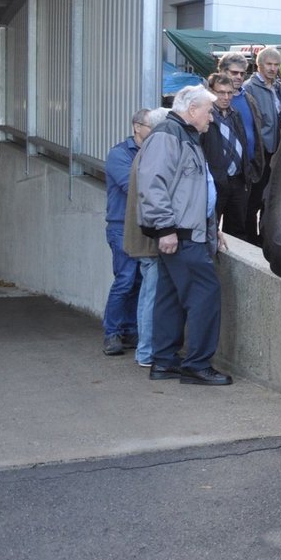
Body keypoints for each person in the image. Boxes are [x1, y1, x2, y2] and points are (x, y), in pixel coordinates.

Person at [136, 85, 232, 386]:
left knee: (170, 297)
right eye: (208, 112)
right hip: (180, 234)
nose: (212, 118)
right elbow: (153, 184)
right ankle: (197, 365)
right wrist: (165, 228)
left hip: (185, 233)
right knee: (206, 294)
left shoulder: (181, 134)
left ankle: (164, 361)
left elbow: (191, 190)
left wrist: (210, 228)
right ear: (192, 110)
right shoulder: (169, 135)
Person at [101, 109, 151, 355]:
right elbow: (131, 185)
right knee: (125, 279)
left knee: (139, 279)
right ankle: (112, 333)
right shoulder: (119, 154)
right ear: (136, 127)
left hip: (142, 225)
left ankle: (131, 330)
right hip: (121, 225)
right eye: (150, 125)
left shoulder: (151, 152)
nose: (154, 130)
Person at [123, 108, 168, 368]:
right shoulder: (153, 151)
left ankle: (145, 350)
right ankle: (147, 351)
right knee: (151, 295)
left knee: (147, 294)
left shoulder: (145, 151)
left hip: (144, 236)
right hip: (150, 238)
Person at [240, 46, 281, 241]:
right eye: (269, 64)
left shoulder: (277, 87)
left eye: (276, 65)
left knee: (269, 199)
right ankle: (250, 239)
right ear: (259, 65)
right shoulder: (250, 88)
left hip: (277, 150)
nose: (272, 68)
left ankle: (265, 237)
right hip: (261, 152)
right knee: (254, 199)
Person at [216, 52, 266, 242]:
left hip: (243, 173)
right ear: (222, 71)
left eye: (242, 73)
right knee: (211, 225)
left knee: (237, 227)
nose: (238, 77)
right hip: (218, 174)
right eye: (234, 72)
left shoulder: (248, 98)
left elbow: (256, 133)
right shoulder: (209, 99)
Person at [202, 72, 252, 240]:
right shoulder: (205, 116)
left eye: (229, 93)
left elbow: (243, 143)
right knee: (211, 229)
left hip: (237, 180)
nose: (226, 97)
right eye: (220, 92)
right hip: (215, 181)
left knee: (237, 230)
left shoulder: (235, 114)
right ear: (210, 91)